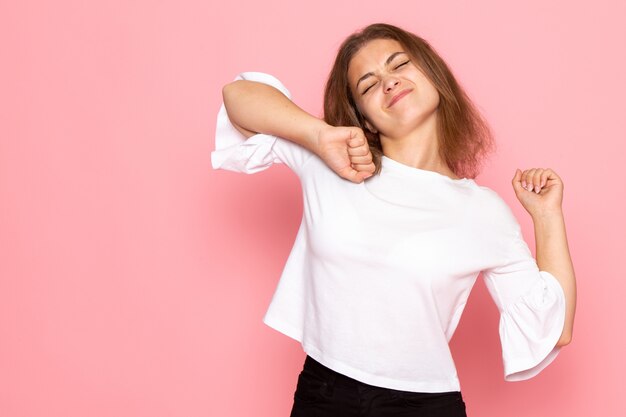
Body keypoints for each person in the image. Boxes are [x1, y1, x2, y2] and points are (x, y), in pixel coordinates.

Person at [211, 23, 577, 417]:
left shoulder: (484, 210)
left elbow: (555, 331)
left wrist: (546, 216)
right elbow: (238, 96)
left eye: (399, 64)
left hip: (424, 404)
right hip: (324, 391)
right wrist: (318, 136)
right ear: (365, 118)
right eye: (368, 86)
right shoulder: (336, 162)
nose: (388, 83)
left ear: (433, 75)